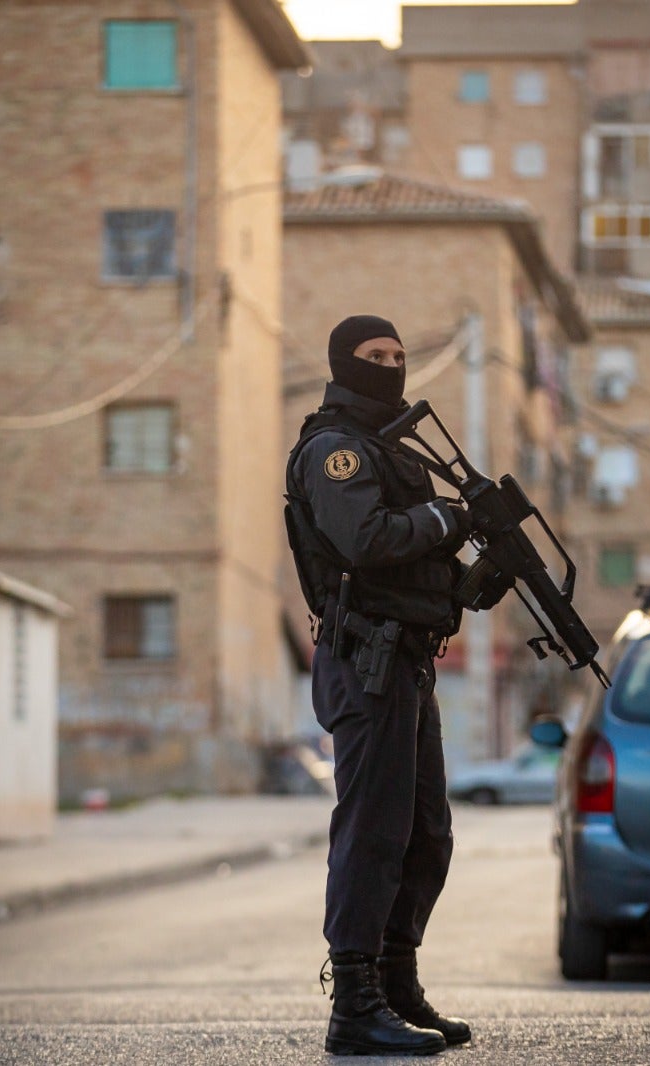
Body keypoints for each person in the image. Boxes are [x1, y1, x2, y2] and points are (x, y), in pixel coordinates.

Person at [284, 314, 501, 1056]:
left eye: (400, 356)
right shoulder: (336, 451)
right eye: (376, 356)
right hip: (364, 662)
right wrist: (447, 516)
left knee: (425, 835)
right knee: (374, 832)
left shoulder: (393, 449)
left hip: (407, 660)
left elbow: (417, 569)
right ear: (345, 364)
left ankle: (396, 980)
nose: (392, 365)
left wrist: (478, 570)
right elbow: (365, 542)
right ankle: (353, 1004)